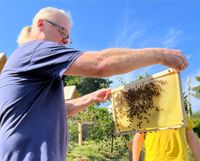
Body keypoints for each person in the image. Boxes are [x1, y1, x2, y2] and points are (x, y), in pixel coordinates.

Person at [0, 7, 188, 161]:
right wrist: (160, 55)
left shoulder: (33, 68)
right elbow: (101, 64)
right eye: (62, 32)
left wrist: (92, 97)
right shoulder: (34, 50)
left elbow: (60, 109)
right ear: (41, 25)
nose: (65, 42)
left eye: (68, 37)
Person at [132, 115, 200, 161]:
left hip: (180, 159)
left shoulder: (181, 112)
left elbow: (191, 138)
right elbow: (138, 138)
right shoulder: (147, 114)